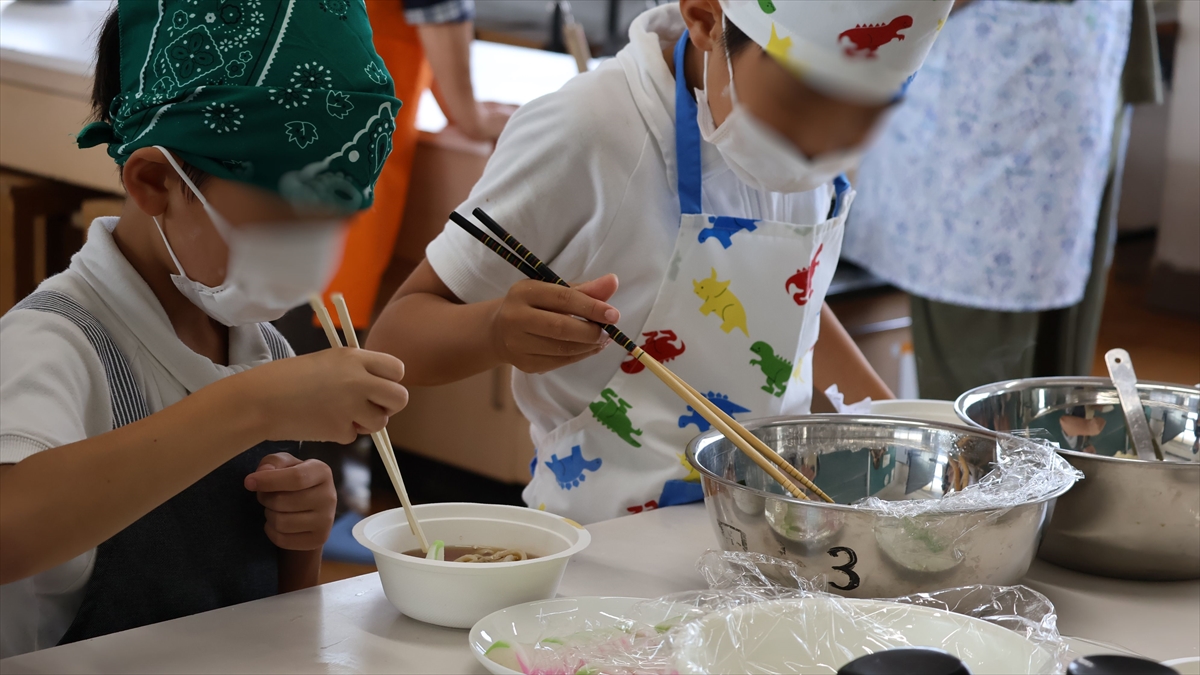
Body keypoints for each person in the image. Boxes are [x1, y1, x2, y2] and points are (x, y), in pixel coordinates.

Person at [367, 0, 953, 524]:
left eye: (865, 111)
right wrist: (495, 331)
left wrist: (901, 432)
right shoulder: (588, 132)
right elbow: (397, 338)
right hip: (610, 541)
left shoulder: (815, 144)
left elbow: (785, 299)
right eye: (801, 101)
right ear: (705, 19)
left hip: (772, 524)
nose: (823, 141)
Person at [0, 0, 407, 657]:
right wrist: (254, 403)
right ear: (156, 181)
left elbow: (259, 621)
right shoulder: (58, 342)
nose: (311, 259)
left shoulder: (258, 343)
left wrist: (299, 540)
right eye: (284, 221)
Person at [842, 0, 1162, 400]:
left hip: (1047, 69)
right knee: (1005, 377)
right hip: (1034, 67)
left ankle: (1025, 455)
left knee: (1004, 379)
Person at [318, 0, 515, 332]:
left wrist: (458, 104)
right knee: (314, 348)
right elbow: (438, 11)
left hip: (272, 126)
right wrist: (470, 116)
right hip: (346, 143)